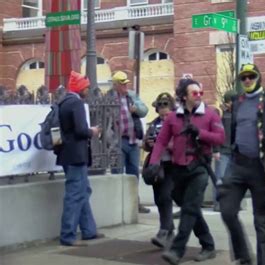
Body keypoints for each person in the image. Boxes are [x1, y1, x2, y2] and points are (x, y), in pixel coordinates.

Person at [218, 63, 265, 265]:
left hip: (263, 166)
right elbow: (233, 131)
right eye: (244, 78)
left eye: (251, 76)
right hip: (239, 164)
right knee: (226, 209)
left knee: (262, 222)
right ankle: (243, 255)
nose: (248, 80)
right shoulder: (238, 102)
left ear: (258, 77)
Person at [149, 79, 225, 265]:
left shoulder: (210, 115)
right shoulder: (173, 118)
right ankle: (208, 245)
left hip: (199, 168)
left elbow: (221, 138)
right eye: (194, 93)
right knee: (190, 208)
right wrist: (153, 162)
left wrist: (199, 133)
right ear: (183, 96)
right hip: (178, 169)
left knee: (190, 208)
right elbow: (160, 141)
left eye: (200, 92)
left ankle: (177, 250)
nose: (199, 96)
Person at [57, 71, 103, 246]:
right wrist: (93, 131)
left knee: (83, 191)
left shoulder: (64, 102)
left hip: (67, 155)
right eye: (86, 86)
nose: (88, 89)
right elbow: (80, 130)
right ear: (79, 87)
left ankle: (89, 230)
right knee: (75, 195)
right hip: (76, 155)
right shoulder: (76, 103)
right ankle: (67, 235)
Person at [108, 71, 149, 213]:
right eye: (122, 84)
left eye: (126, 83)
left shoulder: (131, 96)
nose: (126, 86)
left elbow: (145, 110)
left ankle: (134, 203)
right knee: (118, 173)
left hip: (132, 141)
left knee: (133, 175)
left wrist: (136, 109)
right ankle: (118, 204)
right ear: (115, 85)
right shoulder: (109, 98)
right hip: (118, 141)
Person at [143, 92, 176, 248]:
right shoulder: (154, 124)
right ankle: (169, 231)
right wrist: (149, 143)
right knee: (158, 199)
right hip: (157, 166)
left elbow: (180, 143)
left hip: (171, 165)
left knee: (165, 197)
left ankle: (164, 231)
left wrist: (164, 143)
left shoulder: (177, 122)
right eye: (160, 107)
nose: (163, 111)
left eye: (166, 107)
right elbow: (145, 143)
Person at [213, 90, 237, 212]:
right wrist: (216, 150)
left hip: (235, 152)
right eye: (229, 102)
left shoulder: (238, 115)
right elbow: (216, 133)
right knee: (220, 178)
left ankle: (229, 203)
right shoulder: (221, 115)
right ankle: (218, 203)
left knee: (231, 179)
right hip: (223, 151)